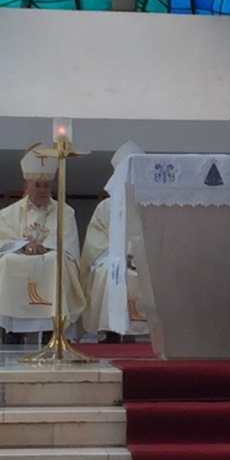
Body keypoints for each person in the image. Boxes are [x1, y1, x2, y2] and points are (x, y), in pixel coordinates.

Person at [0, 145, 86, 345]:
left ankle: (51, 328)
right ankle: (13, 330)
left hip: (51, 257)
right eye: (37, 185)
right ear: (26, 186)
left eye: (46, 186)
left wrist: (46, 248)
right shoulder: (8, 214)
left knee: (56, 261)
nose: (43, 190)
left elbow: (69, 246)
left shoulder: (65, 212)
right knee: (8, 261)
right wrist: (23, 246)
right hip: (19, 257)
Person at [79, 142, 149, 343]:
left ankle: (146, 331)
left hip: (144, 260)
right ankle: (111, 330)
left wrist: (138, 256)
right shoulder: (106, 207)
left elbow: (159, 238)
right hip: (112, 259)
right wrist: (120, 257)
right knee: (110, 271)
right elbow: (95, 246)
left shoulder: (151, 204)